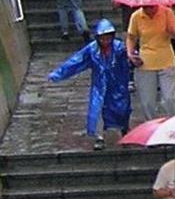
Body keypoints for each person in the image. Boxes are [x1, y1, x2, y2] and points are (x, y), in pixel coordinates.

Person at [48, 18, 131, 150]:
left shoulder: (119, 47)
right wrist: (58, 74)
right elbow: (75, 62)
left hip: (117, 85)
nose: (105, 41)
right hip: (100, 86)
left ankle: (124, 130)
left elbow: (132, 57)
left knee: (122, 110)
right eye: (102, 38)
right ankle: (99, 137)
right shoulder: (92, 50)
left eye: (108, 38)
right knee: (96, 109)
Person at [126, 4, 175, 119]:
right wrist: (130, 54)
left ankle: (174, 125)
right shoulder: (136, 16)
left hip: (166, 60)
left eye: (152, 7)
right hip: (146, 62)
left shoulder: (167, 12)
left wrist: (173, 30)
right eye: (146, 7)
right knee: (147, 102)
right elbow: (131, 37)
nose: (150, 10)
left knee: (170, 98)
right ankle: (151, 126)